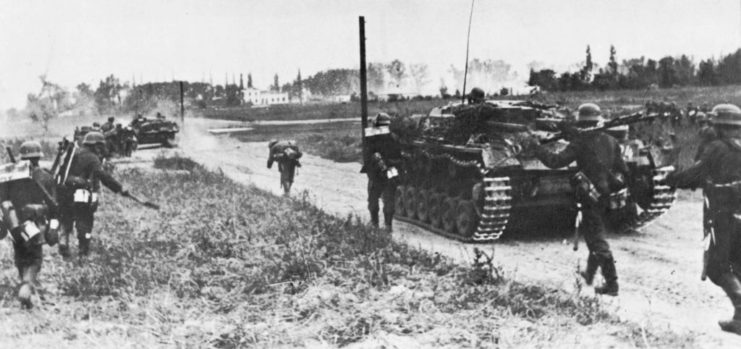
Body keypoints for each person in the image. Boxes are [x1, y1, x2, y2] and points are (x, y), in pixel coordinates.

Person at [525, 103, 628, 296]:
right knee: (592, 234)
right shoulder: (610, 140)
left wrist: (536, 148)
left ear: (581, 122)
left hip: (590, 197)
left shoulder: (580, 142)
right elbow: (623, 171)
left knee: (597, 240)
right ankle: (589, 276)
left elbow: (555, 162)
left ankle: (612, 284)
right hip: (605, 196)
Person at [666, 104, 741, 335]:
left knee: (718, 268)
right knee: (737, 265)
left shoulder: (716, 148)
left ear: (717, 125)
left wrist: (670, 179)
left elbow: (694, 176)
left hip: (721, 213)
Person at [0, 141, 59, 308]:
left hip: (14, 223)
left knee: (20, 256)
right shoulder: (45, 176)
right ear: (38, 157)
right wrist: (54, 226)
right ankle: (26, 285)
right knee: (35, 258)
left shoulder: (9, 176)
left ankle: (26, 287)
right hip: (36, 224)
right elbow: (54, 206)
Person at [57, 132, 129, 258]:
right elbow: (103, 176)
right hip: (81, 194)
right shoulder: (92, 158)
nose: (101, 149)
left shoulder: (72, 154)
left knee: (66, 218)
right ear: (96, 146)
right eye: (100, 146)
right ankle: (83, 250)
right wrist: (119, 188)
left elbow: (61, 172)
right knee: (84, 221)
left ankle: (64, 242)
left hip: (64, 192)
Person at [361, 112, 402, 230]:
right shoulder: (393, 138)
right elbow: (398, 157)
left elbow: (369, 155)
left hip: (377, 174)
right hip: (390, 172)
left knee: (374, 198)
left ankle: (375, 223)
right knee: (388, 199)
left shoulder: (373, 138)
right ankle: (387, 225)